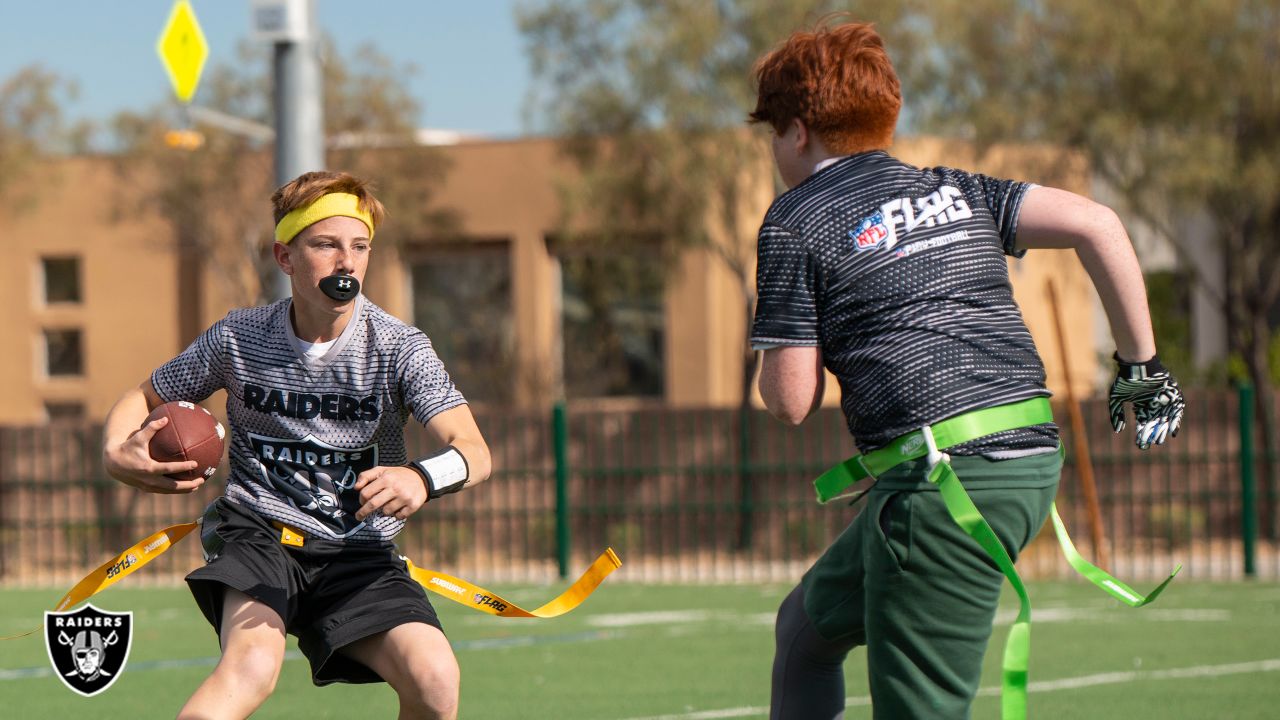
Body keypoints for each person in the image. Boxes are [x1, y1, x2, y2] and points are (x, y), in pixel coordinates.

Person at [747, 19, 1185, 720]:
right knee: (804, 631)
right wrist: (1143, 367)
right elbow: (1097, 224)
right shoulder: (955, 189)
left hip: (944, 485)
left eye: (771, 133)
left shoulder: (795, 219)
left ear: (797, 132)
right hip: (1026, 459)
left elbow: (790, 400)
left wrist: (775, 345)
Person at [101, 170, 492, 720]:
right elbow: (141, 397)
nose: (346, 262)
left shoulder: (401, 347)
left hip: (358, 553)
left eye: (359, 247)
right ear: (285, 257)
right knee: (253, 668)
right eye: (326, 245)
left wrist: (422, 478)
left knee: (435, 681)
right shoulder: (238, 336)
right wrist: (116, 451)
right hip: (260, 535)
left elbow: (475, 452)